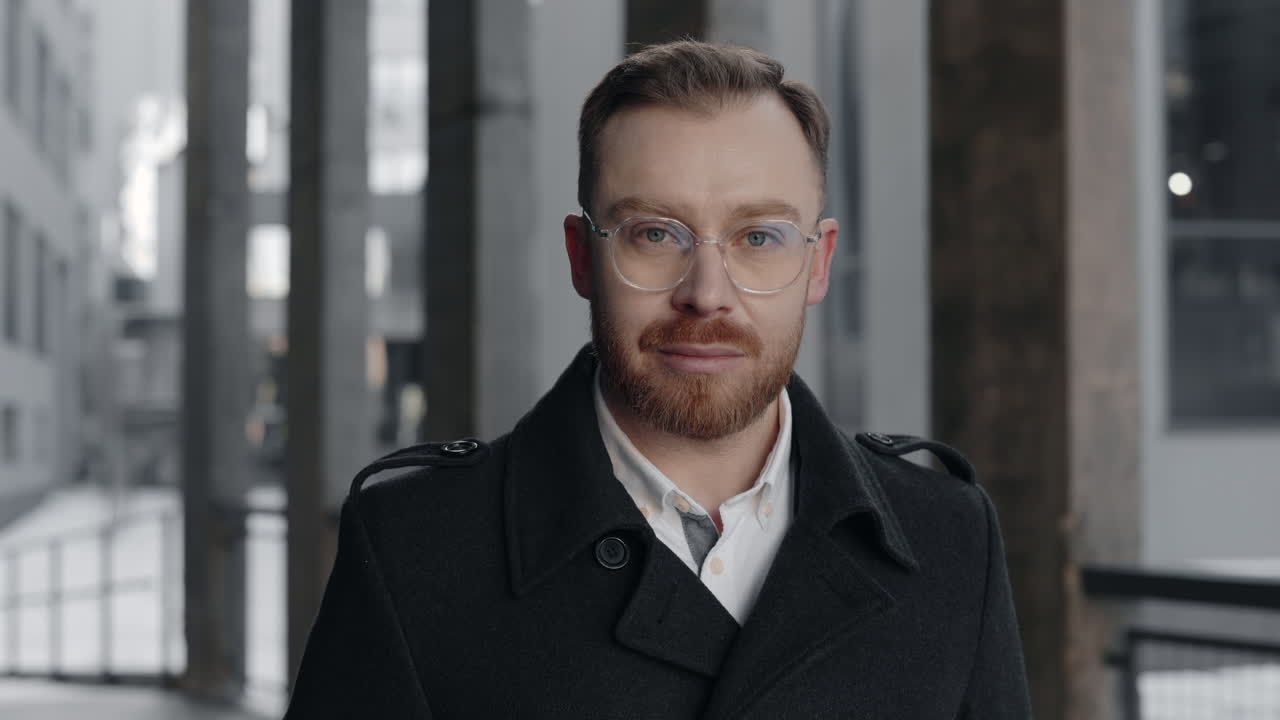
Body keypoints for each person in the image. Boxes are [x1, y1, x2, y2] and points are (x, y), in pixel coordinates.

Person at [285, 41, 1032, 719]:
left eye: (759, 237)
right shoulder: (416, 549)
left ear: (818, 263)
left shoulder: (949, 538)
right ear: (582, 256)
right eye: (654, 233)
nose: (707, 293)